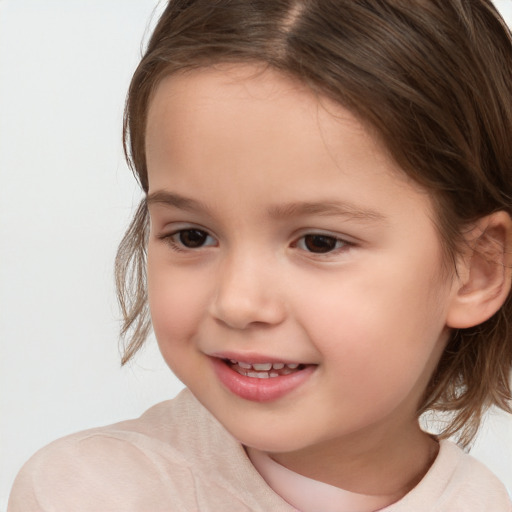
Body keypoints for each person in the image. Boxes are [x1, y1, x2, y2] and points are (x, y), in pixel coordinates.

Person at [8, 0, 512, 510]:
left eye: (319, 242)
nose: (238, 302)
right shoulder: (89, 493)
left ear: (476, 271)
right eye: (192, 236)